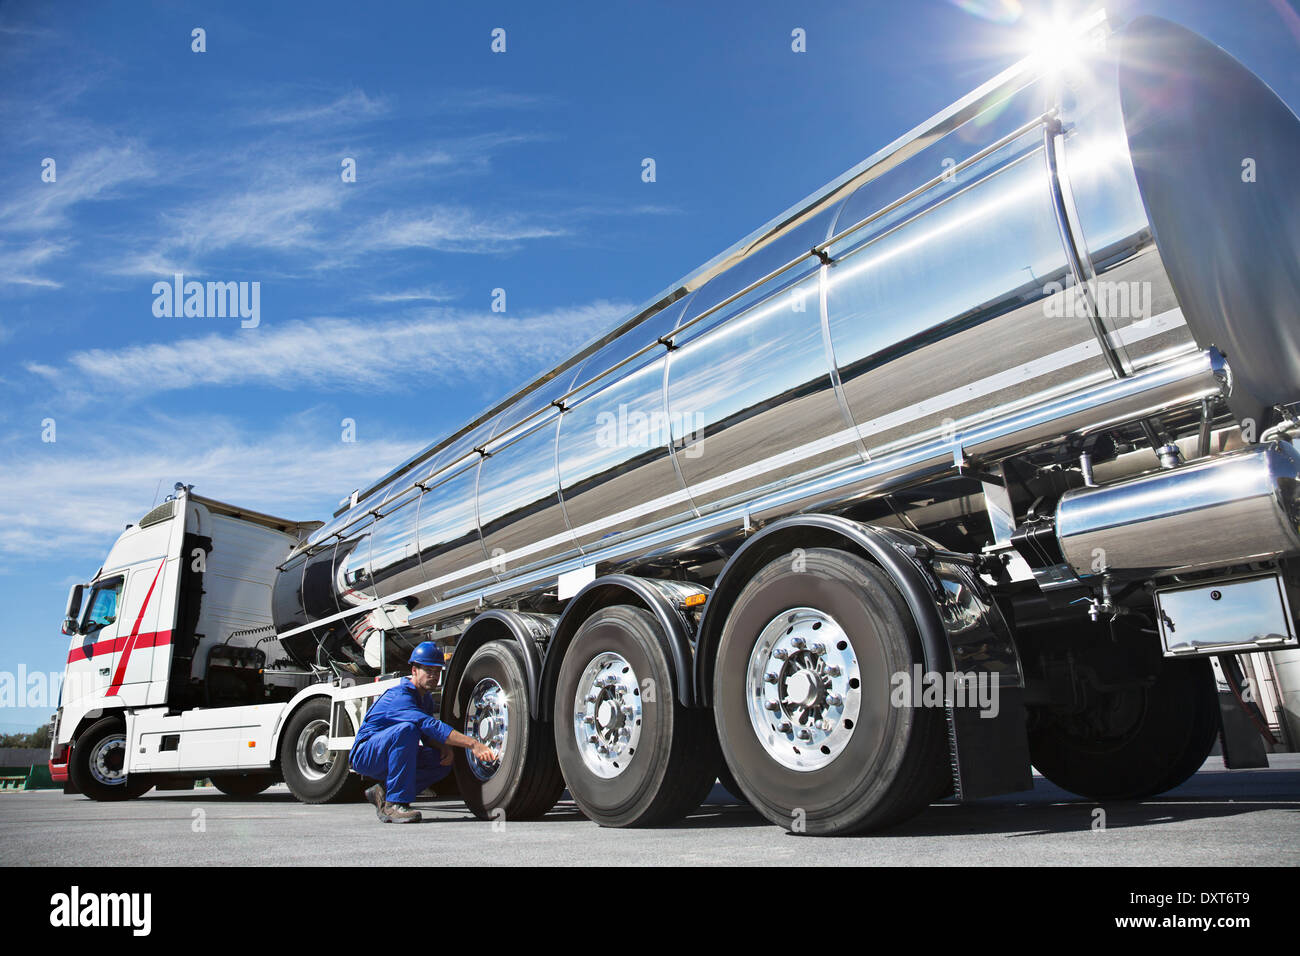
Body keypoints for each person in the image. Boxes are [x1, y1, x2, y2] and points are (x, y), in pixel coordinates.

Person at [348, 641, 496, 823]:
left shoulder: (423, 698)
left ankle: (384, 791)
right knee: (406, 729)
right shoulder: (401, 696)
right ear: (414, 671)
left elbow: (427, 735)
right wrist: (473, 743)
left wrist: (443, 747)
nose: (434, 676)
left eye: (437, 671)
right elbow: (428, 725)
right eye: (428, 670)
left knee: (441, 762)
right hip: (366, 754)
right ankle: (394, 804)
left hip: (387, 750)